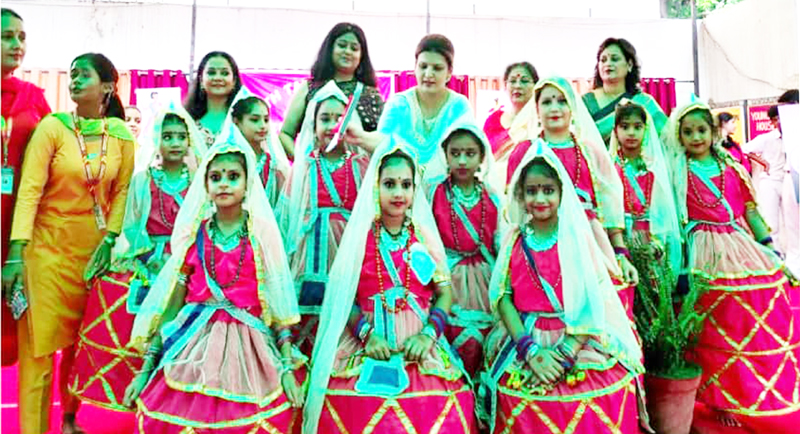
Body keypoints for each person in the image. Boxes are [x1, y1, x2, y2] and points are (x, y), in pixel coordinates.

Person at [124, 130, 306, 432]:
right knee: (168, 414)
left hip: (249, 343)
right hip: (194, 337)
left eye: (233, 176)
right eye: (216, 176)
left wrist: (286, 367)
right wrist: (146, 369)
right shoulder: (194, 235)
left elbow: (277, 307)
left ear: (247, 184)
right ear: (205, 185)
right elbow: (173, 305)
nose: (224, 183)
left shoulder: (260, 237)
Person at [303, 140, 476, 434]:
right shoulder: (360, 238)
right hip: (369, 343)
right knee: (352, 404)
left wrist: (428, 336)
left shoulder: (422, 236)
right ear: (375, 186)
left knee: (443, 403)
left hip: (419, 345)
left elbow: (444, 292)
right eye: (390, 184)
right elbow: (343, 299)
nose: (398, 192)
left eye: (406, 184)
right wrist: (367, 337)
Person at [1, 52, 134, 434]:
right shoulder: (54, 128)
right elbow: (28, 191)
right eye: (71, 75)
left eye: (83, 75)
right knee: (39, 351)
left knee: (79, 347)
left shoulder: (121, 135)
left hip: (92, 256)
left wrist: (110, 239)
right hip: (45, 252)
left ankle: (69, 421)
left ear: (107, 86)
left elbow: (122, 191)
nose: (74, 81)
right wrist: (15, 253)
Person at [482, 142, 646, 433]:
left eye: (548, 190)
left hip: (577, 334)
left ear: (561, 193)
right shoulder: (515, 240)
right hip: (527, 336)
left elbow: (589, 296)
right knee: (517, 393)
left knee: (594, 394)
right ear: (520, 195)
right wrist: (530, 351)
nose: (540, 198)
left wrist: (566, 352)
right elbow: (504, 297)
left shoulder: (575, 238)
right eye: (531, 191)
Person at [664, 101, 800, 431]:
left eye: (701, 130)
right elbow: (671, 217)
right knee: (713, 311)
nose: (695, 136)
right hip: (699, 247)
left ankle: (742, 390)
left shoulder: (732, 166)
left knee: (761, 296)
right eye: (688, 131)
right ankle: (716, 395)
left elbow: (751, 211)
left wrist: (768, 248)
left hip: (736, 241)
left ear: (713, 133)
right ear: (679, 136)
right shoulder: (677, 171)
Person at [68, 106, 205, 412]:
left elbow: (202, 223)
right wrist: (143, 255)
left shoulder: (198, 181)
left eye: (180, 137)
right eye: (167, 136)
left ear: (189, 141)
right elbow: (132, 223)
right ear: (156, 140)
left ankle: (178, 398)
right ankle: (137, 392)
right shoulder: (143, 179)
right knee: (119, 298)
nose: (174, 143)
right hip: (151, 259)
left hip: (187, 260)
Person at [507, 76, 639, 319]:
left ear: (573, 107)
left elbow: (609, 205)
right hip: (540, 244)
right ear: (536, 108)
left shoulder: (590, 151)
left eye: (562, 101)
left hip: (589, 242)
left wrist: (620, 253)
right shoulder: (524, 151)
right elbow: (515, 211)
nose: (555, 108)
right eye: (547, 102)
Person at [279, 81, 370, 355]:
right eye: (325, 119)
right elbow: (288, 216)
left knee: (346, 313)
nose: (332, 125)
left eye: (338, 118)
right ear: (312, 126)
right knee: (307, 321)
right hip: (310, 257)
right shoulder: (304, 166)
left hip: (348, 251)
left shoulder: (361, 165)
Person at [429, 122, 502, 377]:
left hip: (484, 277)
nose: (462, 160)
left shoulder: (492, 196)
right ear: (445, 154)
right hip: (444, 275)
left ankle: (480, 388)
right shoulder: (434, 193)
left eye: (469, 154)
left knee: (483, 338)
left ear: (482, 156)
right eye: (455, 153)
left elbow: (500, 241)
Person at [0, 7, 51, 367]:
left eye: (21, 37)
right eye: (6, 36)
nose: (17, 44)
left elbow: (55, 156)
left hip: (17, 218)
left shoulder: (33, 98)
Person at [609, 101, 682, 324]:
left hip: (652, 243)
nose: (631, 132)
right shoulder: (609, 167)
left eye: (637, 126)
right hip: (619, 243)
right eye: (624, 126)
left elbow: (664, 210)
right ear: (615, 131)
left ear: (646, 129)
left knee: (656, 308)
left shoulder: (654, 168)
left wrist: (658, 243)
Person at [373, 34, 474, 186]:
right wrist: (360, 137)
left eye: (437, 68)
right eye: (423, 66)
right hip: (403, 191)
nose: (428, 74)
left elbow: (467, 152)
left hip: (447, 192)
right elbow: (381, 144)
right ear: (415, 67)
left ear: (449, 72)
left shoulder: (459, 106)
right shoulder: (399, 104)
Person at [279, 22, 384, 160]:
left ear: (361, 56)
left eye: (354, 48)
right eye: (342, 45)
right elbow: (285, 134)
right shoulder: (310, 88)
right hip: (314, 177)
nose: (347, 51)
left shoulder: (370, 94)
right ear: (330, 49)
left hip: (357, 178)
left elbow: (382, 141)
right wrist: (303, 163)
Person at [582, 37, 667, 146]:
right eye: (603, 60)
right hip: (596, 162)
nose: (608, 64)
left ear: (630, 65)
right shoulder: (586, 102)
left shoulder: (644, 102)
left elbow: (667, 137)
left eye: (614, 59)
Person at [482, 61, 539, 190]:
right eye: (512, 81)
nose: (518, 86)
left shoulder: (539, 121)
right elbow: (482, 158)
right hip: (493, 190)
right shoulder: (493, 120)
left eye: (524, 81)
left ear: (536, 86)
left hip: (528, 189)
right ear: (505, 86)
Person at [231, 94, 290, 209]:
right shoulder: (228, 160)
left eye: (266, 120)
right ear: (236, 122)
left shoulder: (274, 165)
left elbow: (283, 207)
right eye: (255, 120)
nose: (263, 126)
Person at [744, 105, 788, 255]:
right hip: (770, 182)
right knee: (771, 222)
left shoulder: (795, 136)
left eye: (780, 118)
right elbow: (745, 149)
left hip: (790, 181)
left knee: (793, 222)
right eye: (774, 120)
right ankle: (775, 255)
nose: (778, 123)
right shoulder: (767, 138)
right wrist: (763, 162)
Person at [184, 51, 243, 146]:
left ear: (234, 81)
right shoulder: (186, 122)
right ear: (201, 80)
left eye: (224, 73)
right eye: (211, 73)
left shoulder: (244, 120)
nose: (218, 78)